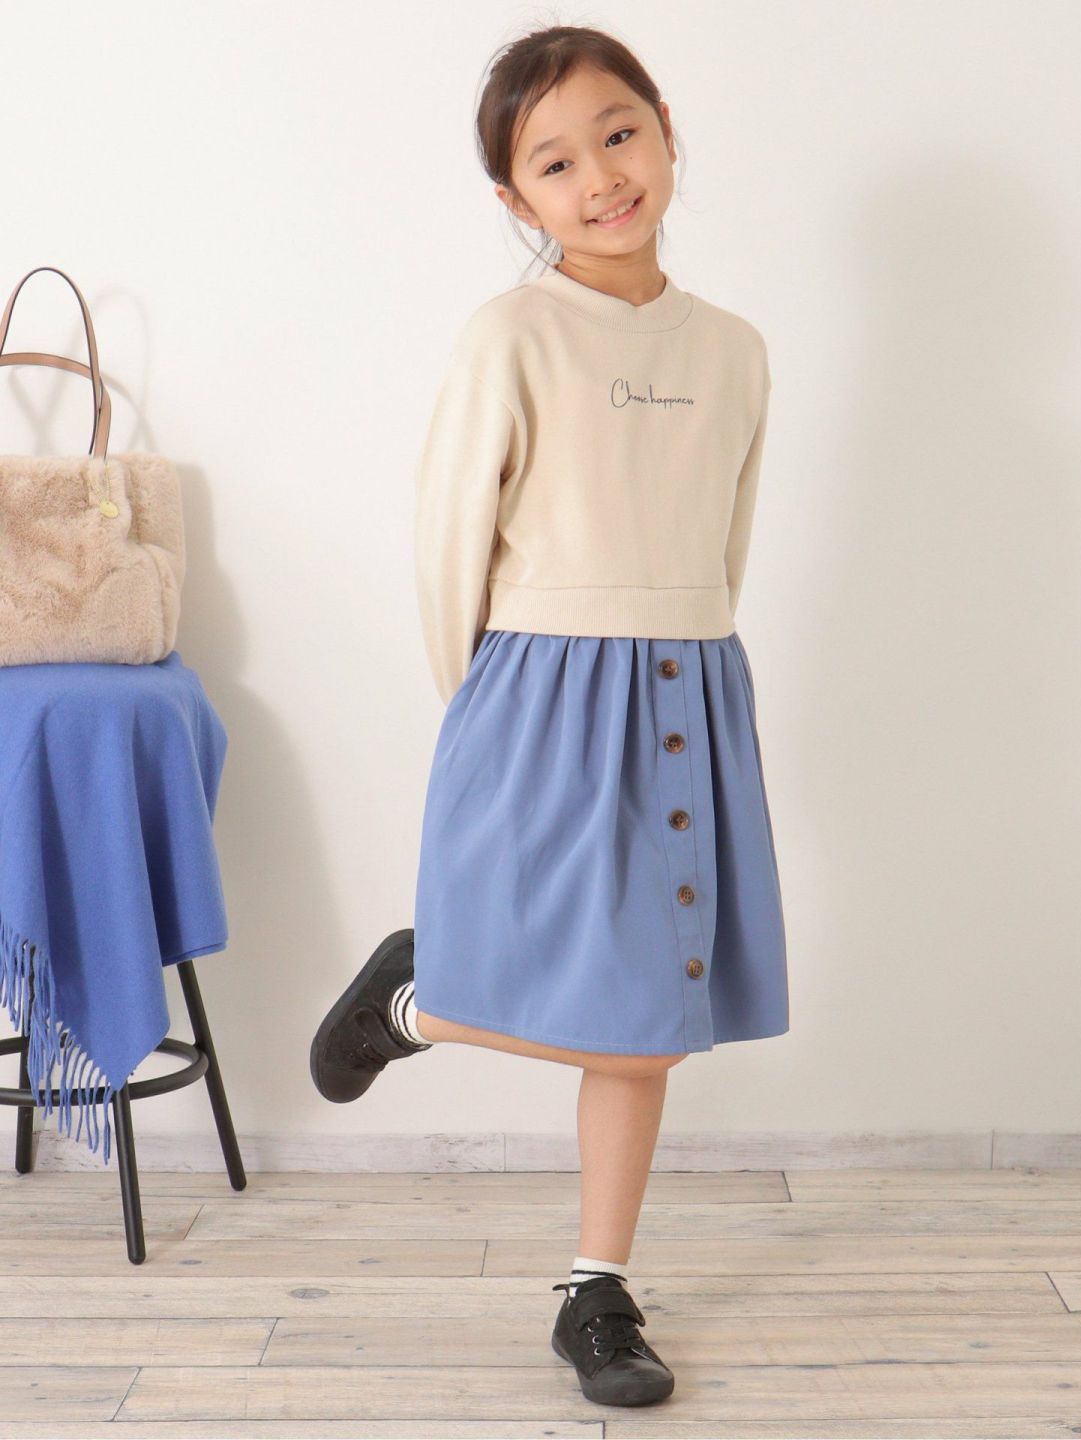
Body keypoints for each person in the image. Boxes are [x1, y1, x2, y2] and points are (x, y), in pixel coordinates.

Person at [310, 22, 789, 1409]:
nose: (601, 177)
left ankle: (595, 1287)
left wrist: (696, 651)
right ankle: (422, 1000)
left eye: (619, 134)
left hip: (690, 679)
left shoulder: (736, 349)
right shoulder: (511, 334)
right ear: (516, 199)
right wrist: (488, 711)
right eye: (556, 162)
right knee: (629, 1006)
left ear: (667, 132)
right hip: (538, 687)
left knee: (655, 1013)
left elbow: (725, 537)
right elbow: (448, 537)